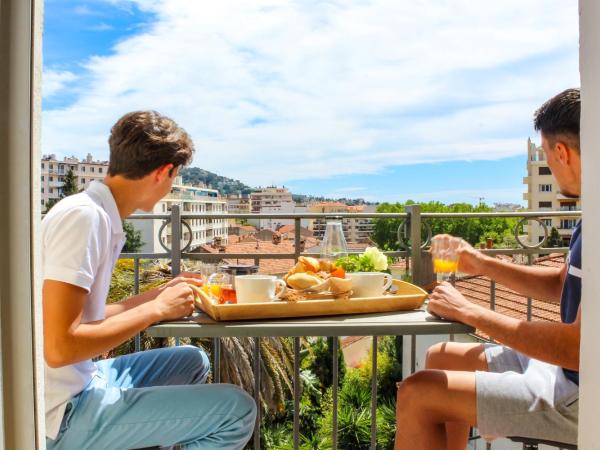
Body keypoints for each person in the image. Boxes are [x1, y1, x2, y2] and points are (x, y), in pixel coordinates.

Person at [43, 111, 256, 450]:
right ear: (164, 173)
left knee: (191, 360)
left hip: (82, 382)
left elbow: (85, 318)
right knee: (237, 410)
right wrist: (155, 309)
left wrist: (156, 296)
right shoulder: (83, 219)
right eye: (174, 177)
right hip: (60, 413)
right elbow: (59, 347)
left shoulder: (95, 213)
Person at [394, 88, 581, 449]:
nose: (551, 169)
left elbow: (577, 349)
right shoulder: (589, 219)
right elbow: (561, 284)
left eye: (548, 158)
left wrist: (471, 311)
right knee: (441, 357)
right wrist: (480, 262)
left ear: (562, 153)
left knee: (418, 394)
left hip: (578, 392)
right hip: (565, 373)